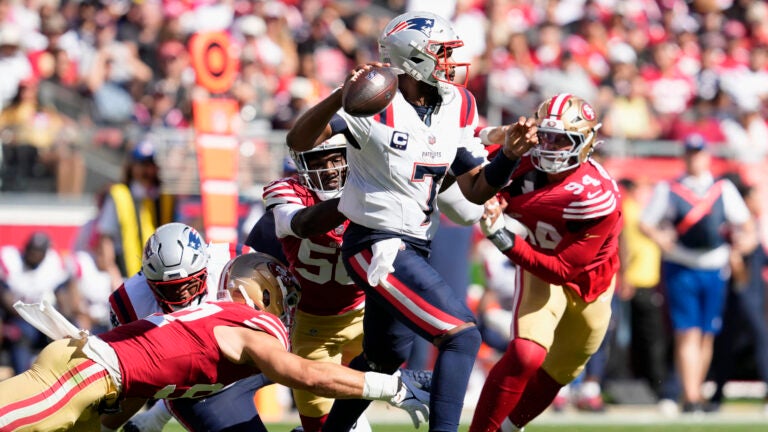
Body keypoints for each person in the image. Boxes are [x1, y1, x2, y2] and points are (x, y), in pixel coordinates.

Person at [286, 11, 536, 431]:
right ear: (413, 58)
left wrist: (508, 155)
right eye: (442, 53)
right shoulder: (375, 103)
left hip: (416, 242)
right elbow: (298, 142)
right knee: (462, 335)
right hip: (374, 243)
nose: (451, 61)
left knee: (384, 358)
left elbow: (475, 189)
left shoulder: (458, 104)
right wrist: (338, 96)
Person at [0, 252, 429, 431]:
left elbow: (148, 374)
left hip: (96, 378)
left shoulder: (210, 318)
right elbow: (306, 374)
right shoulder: (247, 326)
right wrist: (393, 386)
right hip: (84, 375)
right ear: (265, 292)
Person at [265, 133, 484, 431]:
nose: (328, 169)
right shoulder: (287, 190)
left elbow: (425, 189)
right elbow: (301, 223)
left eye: (336, 159)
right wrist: (364, 197)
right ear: (301, 163)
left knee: (397, 351)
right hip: (313, 326)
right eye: (318, 161)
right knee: (324, 426)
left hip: (363, 313)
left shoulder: (371, 184)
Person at [469, 93, 623, 432]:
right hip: (539, 264)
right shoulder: (522, 160)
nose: (550, 148)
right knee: (526, 354)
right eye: (546, 136)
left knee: (559, 372)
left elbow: (564, 270)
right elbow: (467, 140)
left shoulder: (593, 196)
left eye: (561, 140)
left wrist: (502, 238)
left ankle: (509, 428)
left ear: (584, 143)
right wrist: (500, 135)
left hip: (588, 284)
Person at [101, 222, 262, 432]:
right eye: (171, 290)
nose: (183, 295)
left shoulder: (236, 263)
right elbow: (138, 377)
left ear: (205, 267)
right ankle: (160, 412)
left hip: (257, 352)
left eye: (190, 284)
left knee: (312, 366)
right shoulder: (130, 303)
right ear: (149, 282)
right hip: (203, 390)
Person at [639, 134, 755, 413]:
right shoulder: (670, 188)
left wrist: (742, 243)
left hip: (715, 266)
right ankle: (690, 395)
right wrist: (660, 238)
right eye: (690, 153)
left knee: (706, 333)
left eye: (699, 153)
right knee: (687, 332)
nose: (695, 159)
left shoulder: (722, 188)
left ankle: (697, 390)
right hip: (682, 265)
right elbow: (646, 223)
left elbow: (746, 225)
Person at [707, 173, 768, 413]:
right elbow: (737, 257)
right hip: (739, 291)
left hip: (751, 291)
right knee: (729, 341)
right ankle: (716, 393)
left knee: (753, 339)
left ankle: (719, 394)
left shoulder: (752, 223)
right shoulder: (735, 223)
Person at [94, 139, 176, 288]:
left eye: (151, 165)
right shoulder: (120, 195)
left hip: (162, 278)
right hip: (127, 276)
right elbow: (106, 238)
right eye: (142, 165)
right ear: (132, 167)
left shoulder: (165, 197)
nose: (147, 171)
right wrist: (113, 273)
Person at [617, 178, 669, 403]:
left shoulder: (637, 209)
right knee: (649, 338)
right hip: (639, 280)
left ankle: (645, 383)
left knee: (642, 337)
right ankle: (653, 385)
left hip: (645, 279)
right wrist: (625, 275)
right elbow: (625, 244)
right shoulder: (632, 210)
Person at [0, 232, 70, 374]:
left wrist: (62, 320)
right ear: (25, 248)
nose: (34, 254)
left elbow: (63, 298)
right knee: (19, 335)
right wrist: (28, 313)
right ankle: (22, 380)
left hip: (43, 318)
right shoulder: (10, 259)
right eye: (32, 250)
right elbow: (5, 297)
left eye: (38, 252)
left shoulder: (52, 263)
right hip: (17, 318)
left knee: (62, 335)